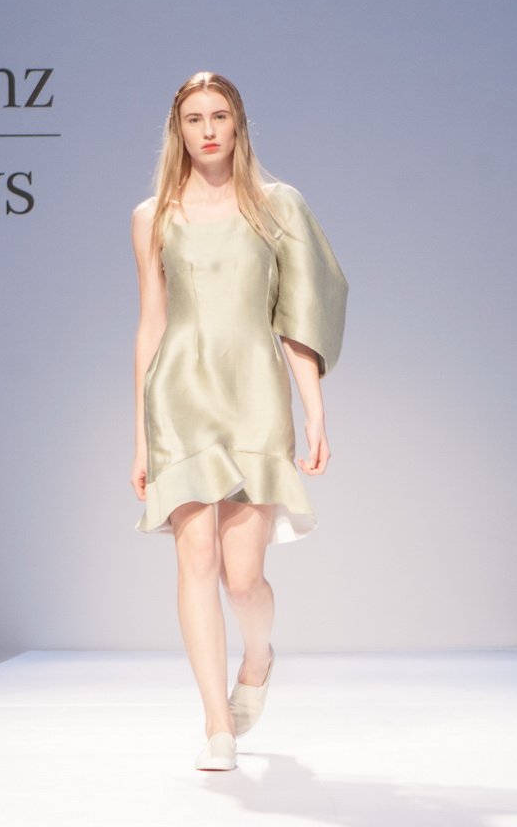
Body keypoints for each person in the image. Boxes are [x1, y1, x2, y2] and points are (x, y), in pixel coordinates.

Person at [130, 71, 348, 771]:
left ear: (239, 123)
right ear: (178, 129)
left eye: (219, 116)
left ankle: (258, 658)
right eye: (194, 119)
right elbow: (151, 324)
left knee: (243, 578)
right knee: (195, 558)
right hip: (179, 398)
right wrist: (139, 437)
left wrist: (315, 412)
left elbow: (296, 317)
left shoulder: (275, 206)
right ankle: (216, 724)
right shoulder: (153, 215)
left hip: (254, 393)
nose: (207, 130)